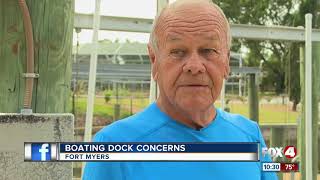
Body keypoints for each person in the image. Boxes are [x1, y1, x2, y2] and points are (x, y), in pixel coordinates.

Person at [83, 0, 278, 179]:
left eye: (208, 51)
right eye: (178, 52)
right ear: (154, 61)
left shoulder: (249, 135)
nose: (194, 66)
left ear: (226, 62)